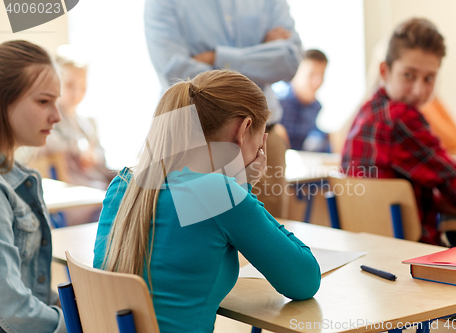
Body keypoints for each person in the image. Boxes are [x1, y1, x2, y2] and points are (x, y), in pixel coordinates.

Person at [93, 70, 321, 332]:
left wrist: (236, 188)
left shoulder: (122, 186)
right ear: (244, 130)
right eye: (262, 141)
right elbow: (304, 280)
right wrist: (239, 190)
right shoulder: (220, 195)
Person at [144, 0, 303, 218]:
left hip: (262, 141)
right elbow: (175, 71)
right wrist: (260, 54)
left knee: (268, 238)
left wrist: (216, 57)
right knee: (198, 242)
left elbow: (290, 61)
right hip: (192, 142)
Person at [341, 18, 456, 245]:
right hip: (411, 254)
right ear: (385, 70)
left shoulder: (368, 109)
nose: (418, 90)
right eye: (409, 75)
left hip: (366, 250)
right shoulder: (402, 117)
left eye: (429, 78)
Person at [0, 40, 66, 332]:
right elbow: (10, 310)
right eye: (43, 101)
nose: (57, 116)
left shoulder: (20, 179)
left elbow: (27, 287)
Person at [32, 45, 113, 190]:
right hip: (76, 190)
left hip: (97, 184)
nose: (77, 93)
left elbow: (101, 155)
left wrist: (94, 156)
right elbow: (44, 144)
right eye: (70, 86)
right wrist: (78, 149)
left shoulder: (87, 123)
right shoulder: (49, 119)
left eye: (83, 87)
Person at [274, 49, 330, 152]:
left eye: (321, 75)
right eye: (311, 74)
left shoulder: (316, 106)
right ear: (295, 73)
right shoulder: (277, 102)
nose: (317, 82)